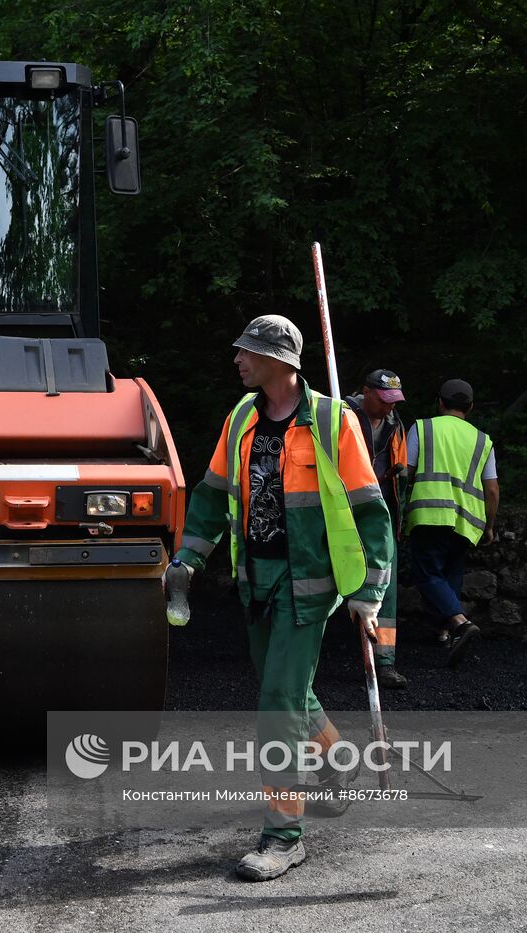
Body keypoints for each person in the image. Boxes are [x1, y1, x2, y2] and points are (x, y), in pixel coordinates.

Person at [173, 315, 394, 882]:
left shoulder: (330, 420)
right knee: (291, 693)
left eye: (248, 352)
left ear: (281, 361)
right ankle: (340, 762)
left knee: (277, 705)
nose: (238, 360)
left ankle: (284, 835)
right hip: (257, 582)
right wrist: (189, 558)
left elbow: (370, 508)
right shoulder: (242, 417)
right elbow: (211, 493)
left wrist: (369, 590)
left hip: (309, 587)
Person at [403, 378, 500, 667]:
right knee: (451, 574)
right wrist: (489, 525)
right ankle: (444, 632)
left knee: (427, 573)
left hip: (430, 514)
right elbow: (492, 488)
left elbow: (403, 473)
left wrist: (395, 514)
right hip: (467, 520)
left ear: (440, 402)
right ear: (470, 407)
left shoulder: (423, 428)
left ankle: (459, 623)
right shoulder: (483, 440)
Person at [344, 370, 409, 688]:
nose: (389, 408)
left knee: (387, 589)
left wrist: (396, 522)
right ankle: (303, 660)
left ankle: (384, 662)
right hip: (341, 514)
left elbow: (401, 479)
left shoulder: (396, 426)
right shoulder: (340, 417)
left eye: (393, 402)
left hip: (380, 516)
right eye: (384, 401)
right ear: (366, 392)